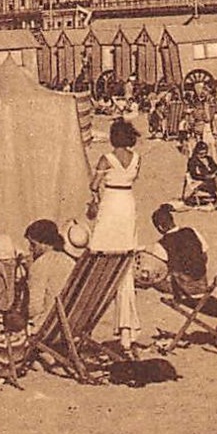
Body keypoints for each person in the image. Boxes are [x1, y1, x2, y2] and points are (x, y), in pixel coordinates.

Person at [89, 119, 143, 351]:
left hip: (111, 203)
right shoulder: (137, 158)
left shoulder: (106, 158)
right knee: (125, 268)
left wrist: (95, 196)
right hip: (127, 204)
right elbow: (132, 178)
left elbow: (94, 185)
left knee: (101, 256)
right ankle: (127, 331)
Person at [23, 220, 75, 334]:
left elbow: (34, 309)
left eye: (33, 244)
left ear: (45, 243)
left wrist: (30, 274)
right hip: (68, 326)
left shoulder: (40, 265)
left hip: (45, 328)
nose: (30, 249)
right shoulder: (70, 262)